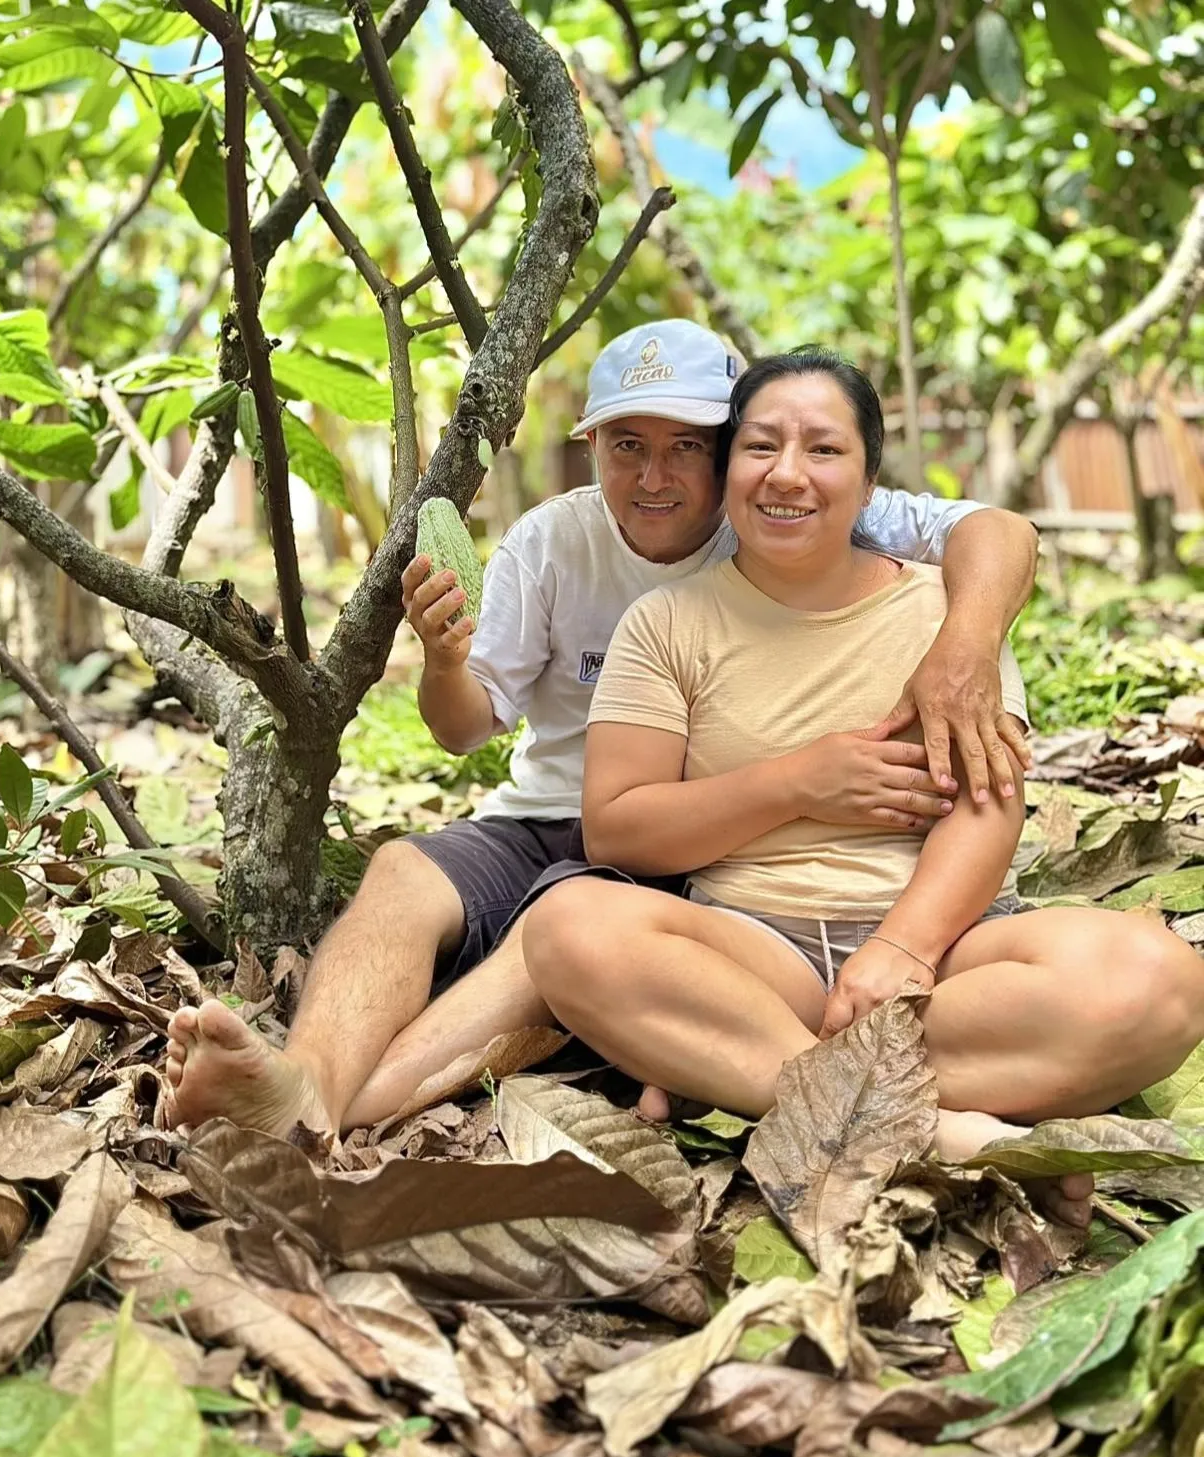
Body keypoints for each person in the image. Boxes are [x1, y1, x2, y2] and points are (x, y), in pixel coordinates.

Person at [157, 321, 1040, 1140]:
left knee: (559, 936)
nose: (656, 476)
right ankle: (304, 1080)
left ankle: (323, 1116)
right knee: (399, 873)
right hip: (555, 807)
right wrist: (443, 659)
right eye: (628, 448)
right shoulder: (550, 542)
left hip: (695, 826)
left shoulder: (782, 514)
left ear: (728, 451)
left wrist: (964, 645)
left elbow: (996, 531)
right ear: (592, 449)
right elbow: (466, 730)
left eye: (687, 448)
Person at [519, 347, 1204, 1225]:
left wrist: (903, 952)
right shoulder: (666, 624)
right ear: (729, 470)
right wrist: (800, 783)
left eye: (825, 451)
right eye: (760, 446)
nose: (788, 475)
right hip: (753, 951)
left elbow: (987, 808)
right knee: (572, 928)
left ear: (872, 481)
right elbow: (618, 829)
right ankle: (945, 1134)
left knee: (1158, 979)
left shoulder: (941, 614)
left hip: (946, 956)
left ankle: (747, 1078)